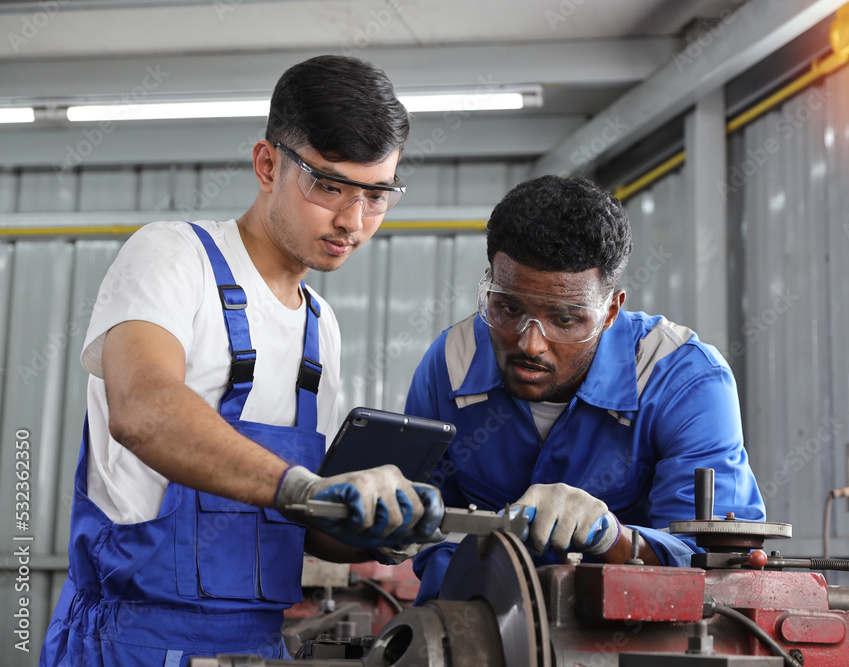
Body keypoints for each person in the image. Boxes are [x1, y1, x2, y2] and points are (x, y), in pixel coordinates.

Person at [40, 55, 443, 665]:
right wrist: (305, 485)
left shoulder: (318, 327)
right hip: (132, 643)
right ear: (267, 164)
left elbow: (302, 524)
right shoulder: (173, 258)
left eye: (376, 195)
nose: (352, 222)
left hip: (255, 647)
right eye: (328, 186)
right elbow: (142, 408)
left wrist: (380, 532)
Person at [405, 175, 766, 604]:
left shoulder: (683, 380)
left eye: (565, 319)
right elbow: (420, 530)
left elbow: (719, 572)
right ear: (489, 284)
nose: (529, 343)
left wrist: (611, 540)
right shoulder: (450, 365)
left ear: (610, 310)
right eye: (508, 308)